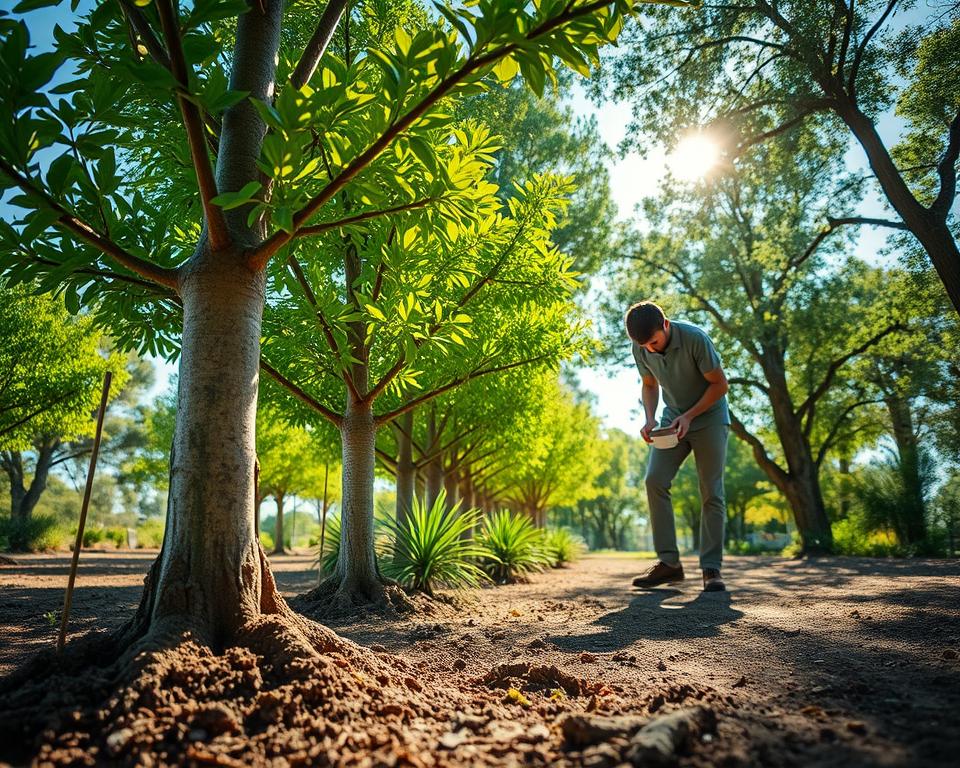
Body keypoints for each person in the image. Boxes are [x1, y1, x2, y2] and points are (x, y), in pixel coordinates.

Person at [625, 301, 730, 592]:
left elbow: (720, 385)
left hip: (709, 418)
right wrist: (649, 419)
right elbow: (649, 384)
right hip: (673, 419)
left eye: (654, 342)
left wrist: (690, 415)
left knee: (711, 490)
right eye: (644, 345)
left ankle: (711, 568)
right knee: (654, 480)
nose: (650, 349)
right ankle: (669, 564)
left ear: (666, 325)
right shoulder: (642, 347)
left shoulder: (695, 338)